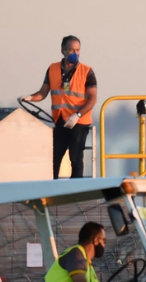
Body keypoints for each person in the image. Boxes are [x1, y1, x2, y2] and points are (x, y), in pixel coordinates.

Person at [17, 35, 97, 179]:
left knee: (76, 159)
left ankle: (75, 192)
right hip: (60, 120)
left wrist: (77, 115)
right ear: (63, 50)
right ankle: (52, 190)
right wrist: (30, 98)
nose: (75, 53)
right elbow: (43, 93)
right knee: (54, 158)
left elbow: (92, 98)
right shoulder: (53, 69)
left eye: (78, 50)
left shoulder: (87, 71)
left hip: (78, 122)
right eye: (72, 50)